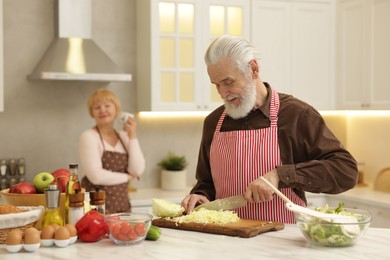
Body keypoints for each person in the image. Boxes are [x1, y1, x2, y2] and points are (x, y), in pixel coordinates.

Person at [181, 35, 358, 223]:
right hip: (226, 239)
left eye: (228, 82)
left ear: (253, 69)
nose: (222, 93)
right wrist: (200, 195)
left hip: (281, 242)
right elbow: (206, 182)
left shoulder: (296, 115)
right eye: (216, 85)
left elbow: (345, 171)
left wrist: (279, 176)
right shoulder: (213, 122)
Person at [79, 88, 145, 214]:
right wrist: (127, 177)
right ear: (92, 113)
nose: (102, 110)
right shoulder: (88, 136)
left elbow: (137, 170)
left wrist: (132, 135)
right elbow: (96, 176)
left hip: (122, 206)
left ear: (116, 110)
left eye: (107, 105)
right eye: (97, 107)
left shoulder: (124, 136)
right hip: (95, 208)